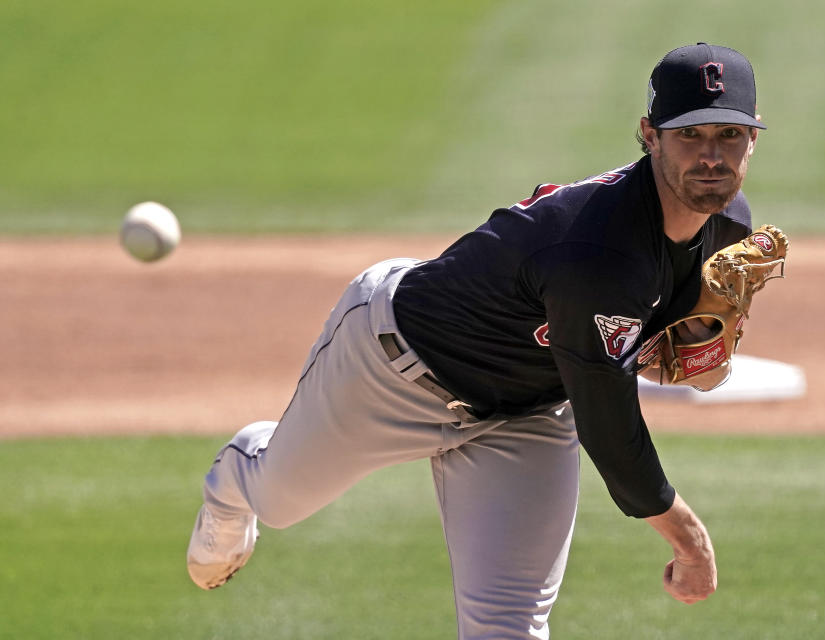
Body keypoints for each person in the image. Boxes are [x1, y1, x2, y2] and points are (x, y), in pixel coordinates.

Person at [187, 42, 767, 638]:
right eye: (689, 135)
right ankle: (237, 473)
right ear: (649, 135)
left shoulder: (727, 228)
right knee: (278, 502)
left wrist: (688, 340)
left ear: (753, 141)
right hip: (394, 368)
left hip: (528, 412)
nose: (710, 156)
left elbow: (650, 334)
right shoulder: (596, 255)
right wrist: (690, 541)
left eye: (728, 134)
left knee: (509, 627)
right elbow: (611, 432)